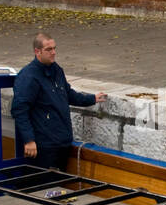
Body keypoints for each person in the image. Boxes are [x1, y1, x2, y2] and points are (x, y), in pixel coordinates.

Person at [10, 32, 106, 172]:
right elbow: (20, 110)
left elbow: (67, 94)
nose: (53, 53)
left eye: (54, 48)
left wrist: (91, 99)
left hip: (62, 142)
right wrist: (29, 140)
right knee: (43, 187)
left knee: (58, 186)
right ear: (37, 51)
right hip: (44, 145)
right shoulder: (28, 77)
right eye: (49, 50)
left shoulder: (57, 70)